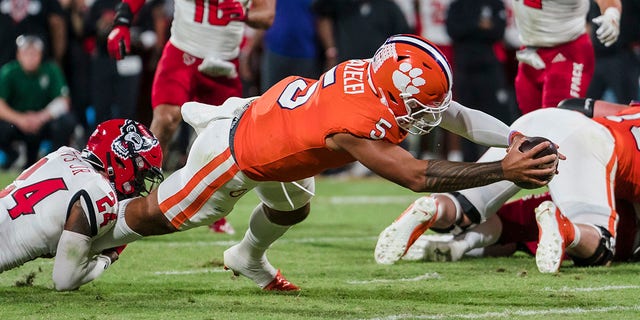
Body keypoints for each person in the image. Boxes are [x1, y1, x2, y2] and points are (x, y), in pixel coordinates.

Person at [91, 34, 559, 291]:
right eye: (421, 109)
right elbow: (416, 176)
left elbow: (453, 114)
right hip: (236, 152)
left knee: (294, 207)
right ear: (398, 94)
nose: (427, 120)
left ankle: (246, 258)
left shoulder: (375, 77)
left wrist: (514, 136)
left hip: (266, 116)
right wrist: (503, 170)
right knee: (157, 217)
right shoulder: (355, 122)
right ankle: (85, 236)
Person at [375, 98, 640, 273]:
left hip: (540, 121)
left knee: (464, 207)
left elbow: (575, 104)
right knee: (603, 244)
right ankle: (568, 230)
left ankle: (436, 206)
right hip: (591, 146)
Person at [107, 0, 275, 234]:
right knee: (166, 119)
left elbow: (266, 15)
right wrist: (122, 20)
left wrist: (242, 13)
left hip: (225, 64)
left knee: (221, 142)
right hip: (182, 53)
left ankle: (213, 211)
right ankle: (133, 195)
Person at [0, 119, 164, 291]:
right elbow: (64, 281)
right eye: (140, 172)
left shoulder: (64, 153)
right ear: (120, 160)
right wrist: (107, 259)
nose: (140, 184)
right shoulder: (100, 191)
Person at [512, 0, 621, 115]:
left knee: (556, 120)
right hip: (530, 53)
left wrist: (611, 14)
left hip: (567, 52)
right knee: (528, 125)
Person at [0, 35, 77, 170]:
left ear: (41, 55)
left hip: (43, 122)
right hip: (17, 124)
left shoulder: (51, 70)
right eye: (26, 53)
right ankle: (13, 155)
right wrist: (20, 119)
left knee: (66, 121)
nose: (30, 58)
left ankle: (55, 163)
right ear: (19, 55)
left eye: (34, 54)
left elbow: (63, 101)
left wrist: (41, 117)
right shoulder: (9, 72)